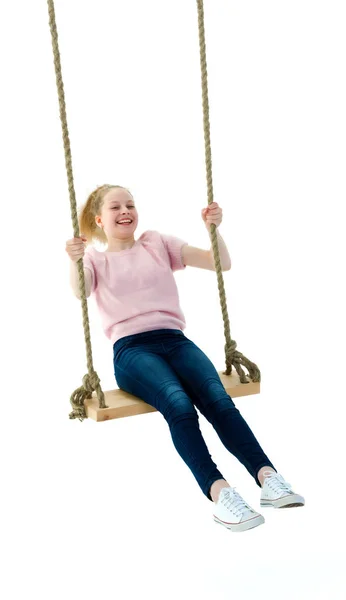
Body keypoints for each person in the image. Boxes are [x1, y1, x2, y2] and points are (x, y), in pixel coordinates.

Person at [65, 183, 304, 533]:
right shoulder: (95, 258)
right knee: (178, 403)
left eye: (130, 204)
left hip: (175, 341)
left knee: (218, 400)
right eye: (115, 207)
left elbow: (221, 263)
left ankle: (267, 477)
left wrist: (214, 230)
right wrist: (74, 260)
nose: (125, 211)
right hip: (131, 351)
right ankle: (220, 493)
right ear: (99, 219)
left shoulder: (157, 243)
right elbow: (80, 290)